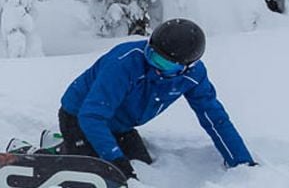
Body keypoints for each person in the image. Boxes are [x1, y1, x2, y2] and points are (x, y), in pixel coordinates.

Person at [59, 18, 257, 182]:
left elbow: (215, 119)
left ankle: (67, 148)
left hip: (119, 125)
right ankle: (61, 152)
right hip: (79, 118)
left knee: (142, 167)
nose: (155, 65)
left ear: (186, 67)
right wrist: (115, 160)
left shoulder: (193, 76)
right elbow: (91, 116)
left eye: (163, 63)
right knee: (101, 179)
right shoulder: (124, 63)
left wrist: (242, 163)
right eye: (151, 55)